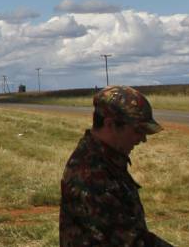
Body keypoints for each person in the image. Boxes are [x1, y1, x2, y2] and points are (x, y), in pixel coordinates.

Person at [59, 85, 173, 246]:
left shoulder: (106, 160)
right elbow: (129, 241)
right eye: (138, 130)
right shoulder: (90, 174)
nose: (142, 139)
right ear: (110, 124)